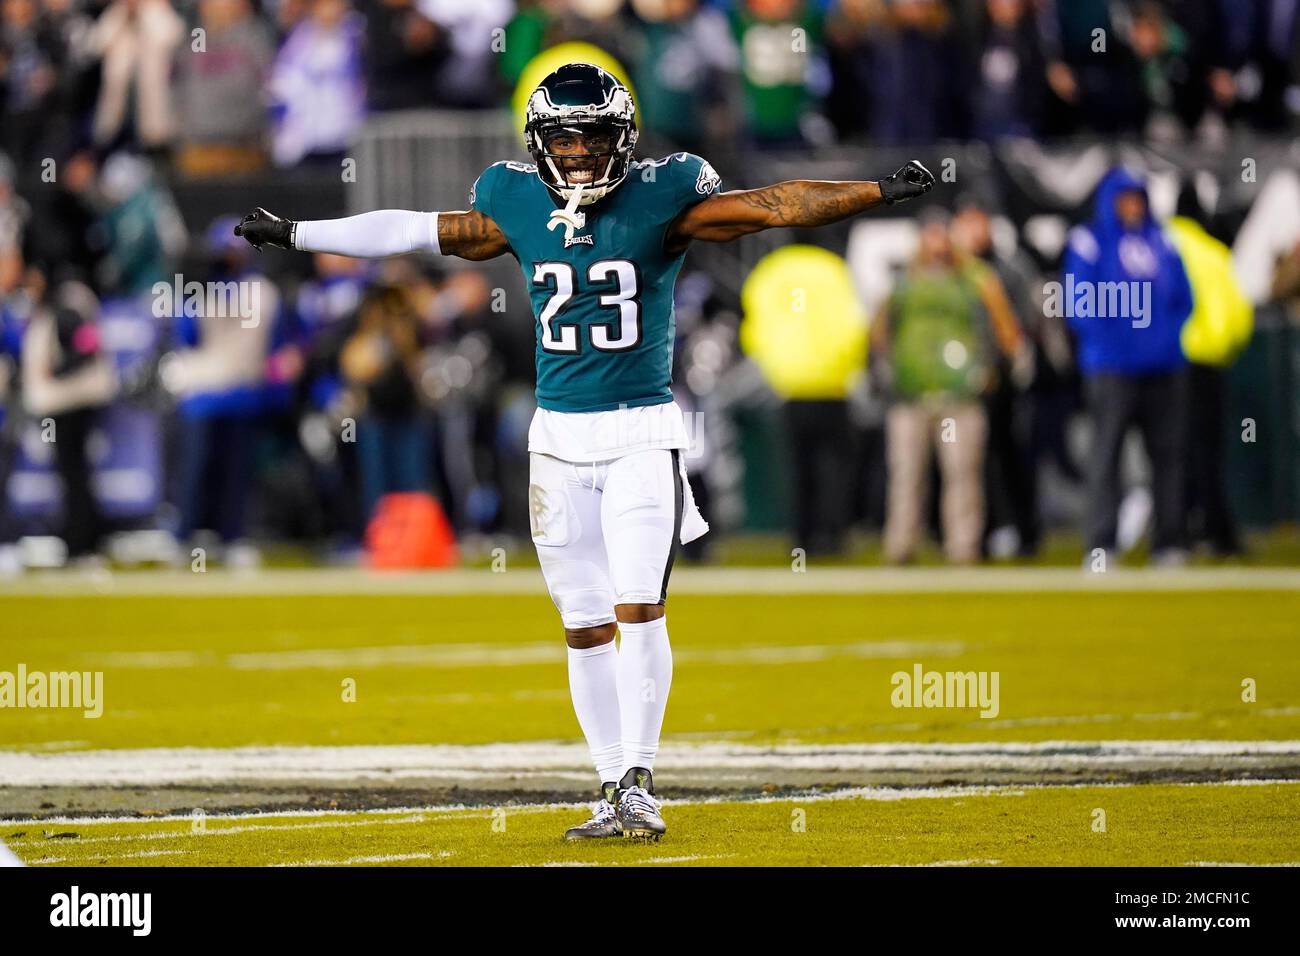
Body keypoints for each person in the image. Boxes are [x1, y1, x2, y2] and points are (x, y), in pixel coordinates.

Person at [234, 62, 935, 841]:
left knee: (640, 610)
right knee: (584, 625)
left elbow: (773, 206)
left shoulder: (665, 196)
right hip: (556, 444)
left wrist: (874, 190)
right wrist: (301, 233)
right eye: (561, 139)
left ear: (623, 139)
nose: (575, 154)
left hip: (640, 435)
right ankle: (608, 785)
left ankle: (639, 780)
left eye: (592, 137)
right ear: (538, 144)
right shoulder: (512, 200)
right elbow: (408, 227)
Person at [1062, 168, 1193, 565]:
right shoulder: (1090, 241)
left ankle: (1170, 543)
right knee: (1106, 456)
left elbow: (1184, 299)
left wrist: (1163, 340)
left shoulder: (1163, 240)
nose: (1133, 206)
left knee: (1169, 456)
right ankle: (1102, 545)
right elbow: (1079, 302)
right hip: (1112, 367)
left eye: (1138, 198)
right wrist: (1116, 343)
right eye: (1125, 198)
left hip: (1163, 366)